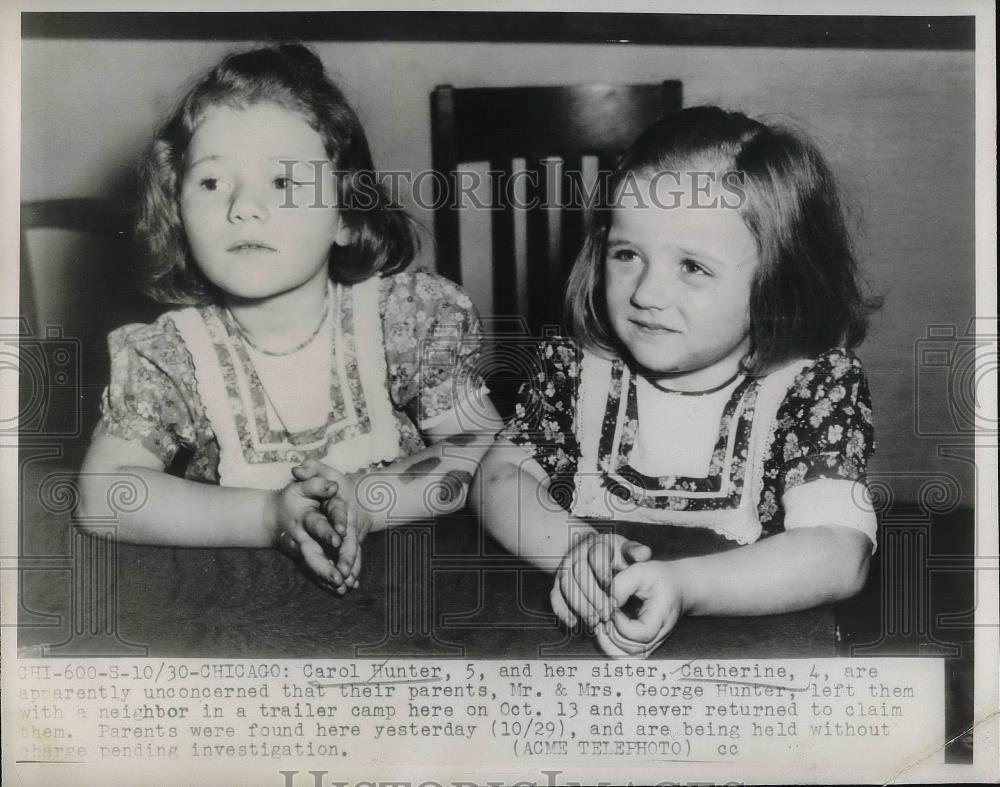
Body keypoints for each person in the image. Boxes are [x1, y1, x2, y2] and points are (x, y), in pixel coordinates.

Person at [77, 44, 501, 594]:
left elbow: (486, 449)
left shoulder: (408, 320)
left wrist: (366, 502)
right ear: (178, 216)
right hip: (242, 614)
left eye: (283, 182)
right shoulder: (171, 356)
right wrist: (268, 518)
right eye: (212, 183)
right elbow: (104, 496)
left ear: (345, 216)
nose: (244, 206)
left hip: (412, 595)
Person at [471, 106, 881, 657]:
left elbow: (838, 552)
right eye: (626, 254)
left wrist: (686, 588)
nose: (645, 293)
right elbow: (498, 477)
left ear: (777, 280)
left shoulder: (811, 387)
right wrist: (578, 548)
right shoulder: (578, 366)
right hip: (578, 636)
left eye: (692, 266)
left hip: (744, 646)